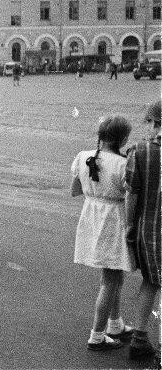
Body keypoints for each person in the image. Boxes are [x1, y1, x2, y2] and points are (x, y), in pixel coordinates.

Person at [70, 115, 134, 351]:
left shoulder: (82, 156)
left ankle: (115, 324)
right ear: (123, 138)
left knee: (113, 273)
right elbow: (130, 196)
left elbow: (75, 190)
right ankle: (97, 335)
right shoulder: (123, 163)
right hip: (114, 219)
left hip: (92, 216)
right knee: (111, 278)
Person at [123, 100, 161, 362]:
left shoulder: (140, 151)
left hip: (149, 232)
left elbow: (131, 195)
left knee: (151, 281)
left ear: (155, 123)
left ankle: (139, 336)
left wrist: (128, 226)